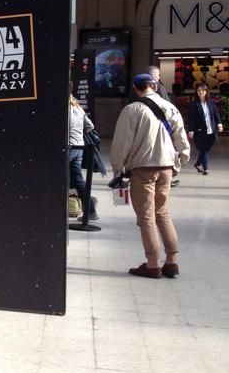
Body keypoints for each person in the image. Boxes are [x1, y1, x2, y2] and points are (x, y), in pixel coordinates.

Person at [109, 73, 190, 279]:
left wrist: (118, 168)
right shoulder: (171, 108)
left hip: (143, 169)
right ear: (154, 86)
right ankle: (172, 261)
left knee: (146, 216)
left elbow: (121, 144)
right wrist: (177, 165)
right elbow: (182, 143)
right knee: (162, 212)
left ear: (136, 89)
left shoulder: (132, 109)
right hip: (167, 168)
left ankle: (152, 264)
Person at [69, 93, 98, 221]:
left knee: (57, 178)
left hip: (69, 147)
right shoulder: (79, 108)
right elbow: (90, 126)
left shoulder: (64, 109)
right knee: (78, 179)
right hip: (79, 147)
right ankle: (91, 210)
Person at [187, 83, 222, 175]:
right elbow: (191, 119)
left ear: (206, 92)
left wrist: (219, 124)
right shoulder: (194, 105)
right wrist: (191, 130)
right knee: (204, 148)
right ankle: (205, 168)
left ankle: (198, 164)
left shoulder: (211, 102)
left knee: (205, 149)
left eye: (203, 90)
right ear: (196, 92)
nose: (201, 92)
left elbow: (216, 114)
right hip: (200, 130)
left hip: (212, 129)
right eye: (199, 90)